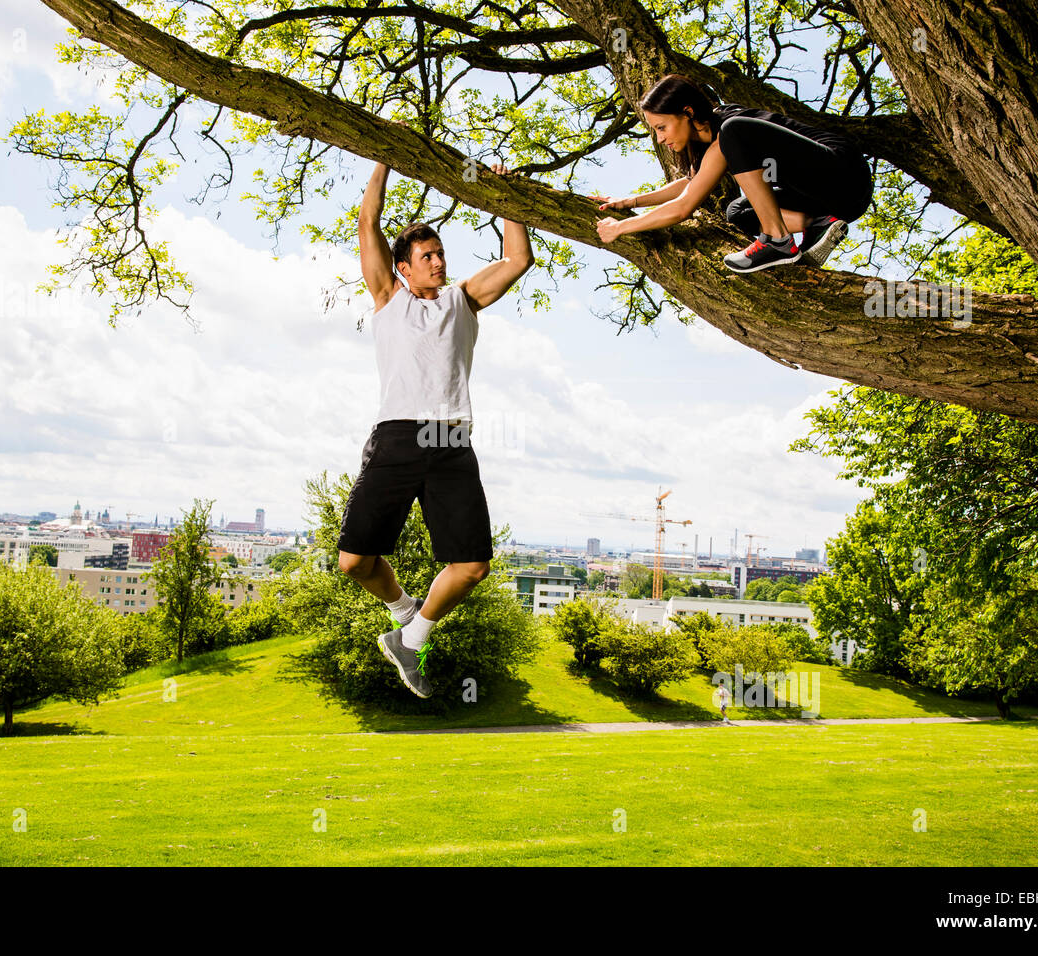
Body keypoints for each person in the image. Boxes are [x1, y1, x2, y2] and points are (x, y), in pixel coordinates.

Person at [337, 160, 534, 699]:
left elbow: (519, 258)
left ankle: (413, 638)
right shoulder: (387, 299)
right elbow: (367, 222)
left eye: (441, 253)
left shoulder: (463, 299)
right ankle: (405, 614)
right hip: (398, 435)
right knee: (354, 561)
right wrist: (381, 156)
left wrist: (503, 193)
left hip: (450, 441)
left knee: (472, 565)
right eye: (426, 256)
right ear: (402, 267)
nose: (438, 262)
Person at [594, 74, 874, 272]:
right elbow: (690, 186)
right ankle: (820, 224)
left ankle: (777, 239)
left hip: (844, 173)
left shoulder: (727, 127)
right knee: (737, 211)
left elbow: (683, 208)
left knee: (734, 131)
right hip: (830, 201)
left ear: (687, 113)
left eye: (661, 127)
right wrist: (630, 202)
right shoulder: (711, 145)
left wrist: (620, 228)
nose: (660, 138)